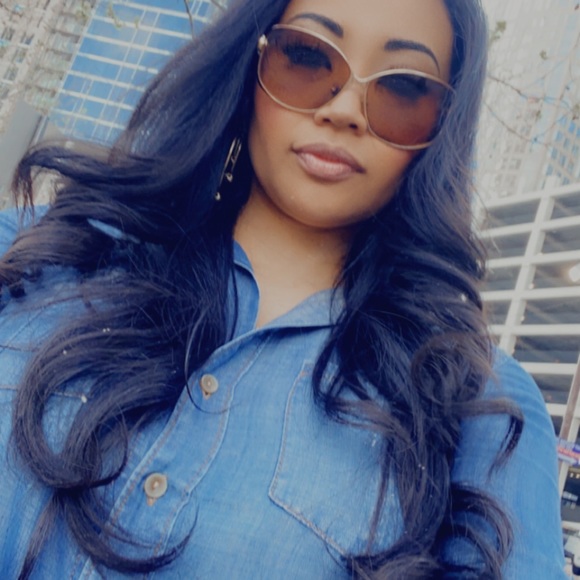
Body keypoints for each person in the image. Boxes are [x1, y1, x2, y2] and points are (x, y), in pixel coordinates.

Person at [0, 0, 566, 577]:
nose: (344, 110)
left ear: (441, 127)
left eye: (402, 88)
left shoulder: (480, 405)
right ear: (250, 64)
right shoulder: (37, 250)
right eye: (308, 57)